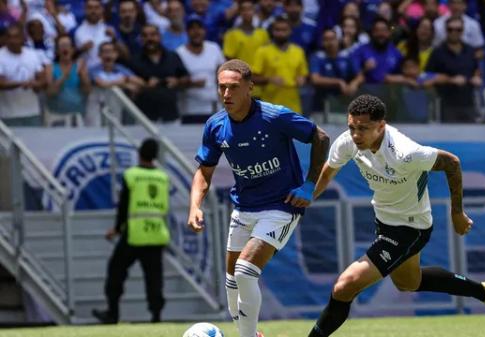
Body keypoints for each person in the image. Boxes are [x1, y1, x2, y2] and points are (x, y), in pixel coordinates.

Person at [306, 94, 485, 337]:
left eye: (364, 128)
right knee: (408, 283)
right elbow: (328, 173)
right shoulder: (348, 142)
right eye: (352, 127)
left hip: (411, 228)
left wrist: (457, 212)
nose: (356, 135)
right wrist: (303, 201)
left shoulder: (405, 152)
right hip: (385, 221)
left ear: (381, 126)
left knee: (344, 286)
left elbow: (452, 163)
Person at [187, 59, 330, 337]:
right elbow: (204, 173)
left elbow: (320, 137)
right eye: (222, 88)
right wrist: (195, 206)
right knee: (231, 283)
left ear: (250, 87)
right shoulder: (216, 126)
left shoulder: (275, 116)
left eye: (233, 87)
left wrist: (309, 185)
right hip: (244, 208)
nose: (226, 94)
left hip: (281, 206)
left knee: (244, 271)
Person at [92, 138, 171, 324]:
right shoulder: (162, 177)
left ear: (139, 153)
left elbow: (124, 206)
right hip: (156, 233)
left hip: (134, 234)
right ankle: (156, 316)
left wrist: (117, 229)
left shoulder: (131, 175)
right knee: (154, 279)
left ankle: (112, 313)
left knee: (116, 272)